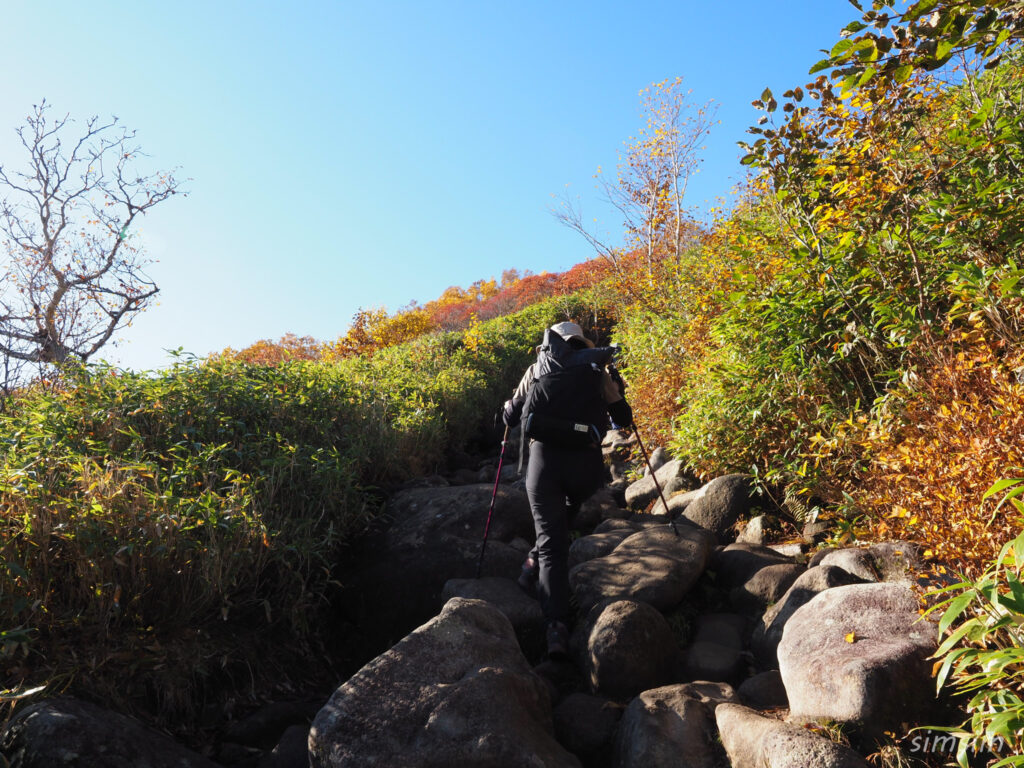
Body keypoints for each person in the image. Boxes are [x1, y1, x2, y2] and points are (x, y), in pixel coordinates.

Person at [502, 321, 632, 659]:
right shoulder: (595, 370)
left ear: (552, 344)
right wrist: (615, 387)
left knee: (551, 546)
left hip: (543, 463)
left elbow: (511, 416)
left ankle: (555, 627)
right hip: (585, 465)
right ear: (582, 343)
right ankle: (533, 560)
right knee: (568, 511)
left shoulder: (537, 368)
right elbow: (622, 420)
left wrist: (508, 408)